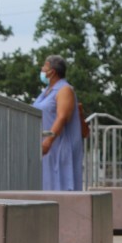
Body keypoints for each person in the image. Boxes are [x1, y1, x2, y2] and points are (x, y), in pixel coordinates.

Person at [32, 55, 83, 190]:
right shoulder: (46, 92)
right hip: (45, 149)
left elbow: (62, 117)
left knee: (59, 188)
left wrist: (48, 141)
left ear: (52, 71)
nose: (42, 69)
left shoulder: (65, 89)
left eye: (44, 66)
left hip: (56, 146)